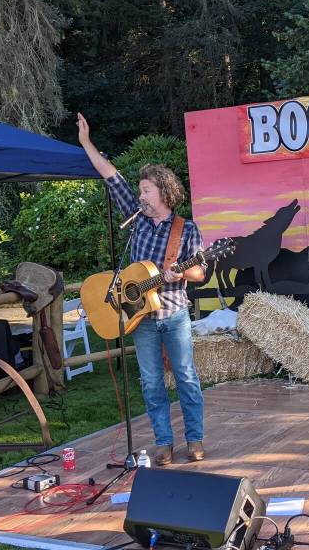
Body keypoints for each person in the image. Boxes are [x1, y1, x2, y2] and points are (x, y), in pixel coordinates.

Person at [77, 112, 208, 466]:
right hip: (139, 318)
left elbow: (200, 272)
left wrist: (178, 274)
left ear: (164, 192)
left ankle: (195, 440)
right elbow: (111, 175)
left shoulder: (186, 229)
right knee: (151, 383)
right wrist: (86, 142)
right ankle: (164, 443)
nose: (141, 195)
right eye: (140, 191)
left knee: (186, 378)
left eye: (146, 190)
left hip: (174, 314)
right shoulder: (136, 221)